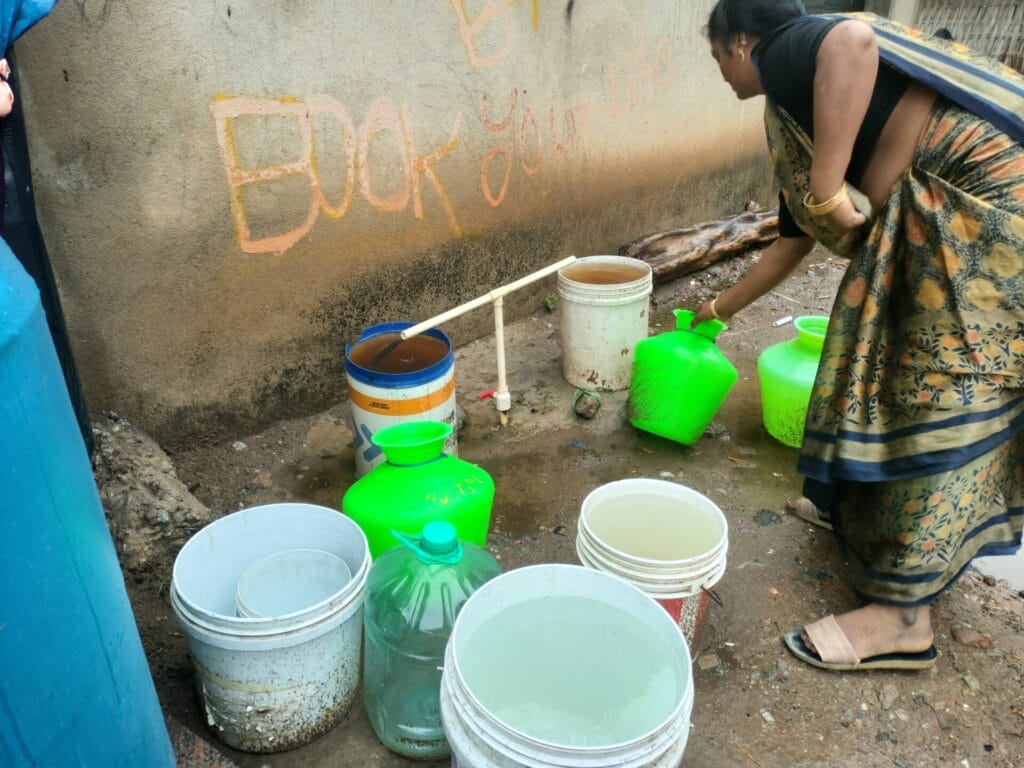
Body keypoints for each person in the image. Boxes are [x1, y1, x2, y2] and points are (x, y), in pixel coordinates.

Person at [695, 0, 1024, 671]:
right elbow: (791, 245)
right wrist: (719, 308)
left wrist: (825, 183)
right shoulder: (799, 107)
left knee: (939, 388)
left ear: (739, 41)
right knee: (885, 373)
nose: (724, 75)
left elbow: (850, 40)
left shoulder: (787, 49)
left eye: (717, 57)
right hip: (946, 215)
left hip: (985, 210)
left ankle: (904, 619)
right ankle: (863, 524)